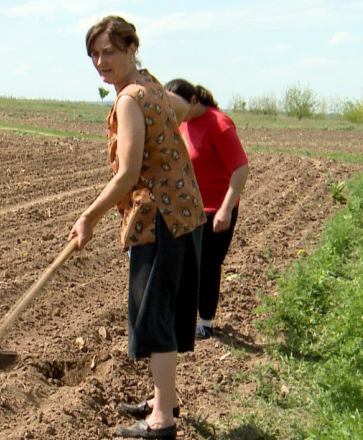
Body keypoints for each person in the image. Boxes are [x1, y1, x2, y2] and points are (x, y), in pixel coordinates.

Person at [70, 15, 205, 439]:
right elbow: (179, 114)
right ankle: (163, 398)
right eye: (94, 53)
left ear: (131, 48)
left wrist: (88, 217)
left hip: (159, 220)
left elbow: (127, 173)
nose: (100, 61)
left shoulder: (130, 99)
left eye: (109, 51)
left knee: (154, 316)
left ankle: (161, 421)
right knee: (165, 309)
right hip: (185, 213)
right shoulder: (153, 85)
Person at [164, 79, 249, 340]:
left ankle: (206, 322)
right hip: (189, 208)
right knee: (185, 264)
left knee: (208, 266)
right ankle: (183, 319)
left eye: (175, 104)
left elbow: (240, 168)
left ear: (192, 100)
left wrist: (226, 209)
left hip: (216, 209)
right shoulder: (182, 123)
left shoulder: (219, 124)